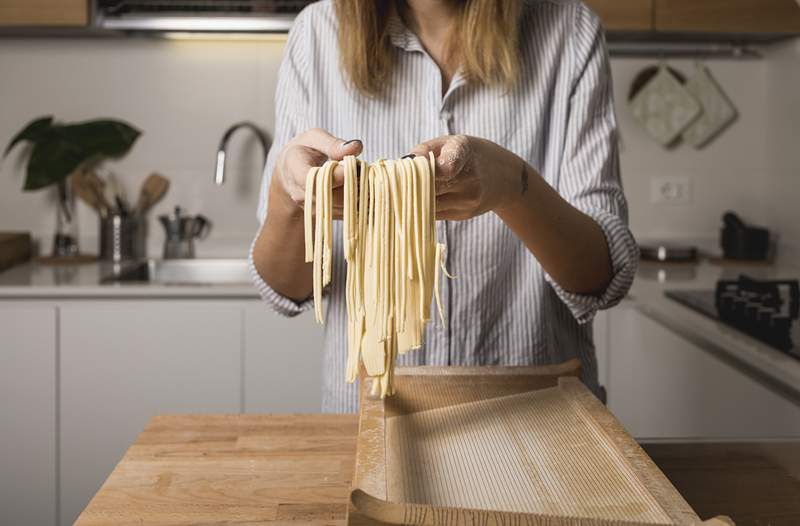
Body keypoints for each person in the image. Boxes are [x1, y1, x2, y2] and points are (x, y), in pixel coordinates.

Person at [249, 0, 639, 413]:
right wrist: (292, 194)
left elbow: (601, 279)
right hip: (373, 416)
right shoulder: (316, 33)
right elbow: (283, 287)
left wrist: (514, 185)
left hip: (538, 417)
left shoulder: (570, 31)